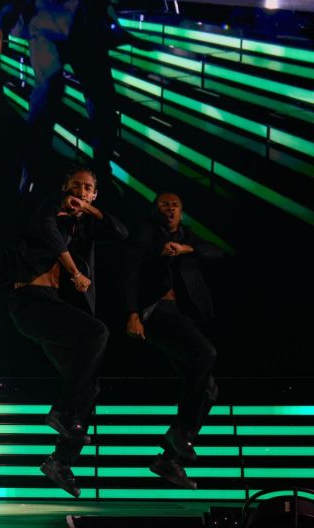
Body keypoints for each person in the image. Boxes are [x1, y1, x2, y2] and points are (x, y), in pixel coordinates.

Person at [7, 166, 127, 497]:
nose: (80, 191)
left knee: (90, 388)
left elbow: (120, 232)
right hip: (30, 304)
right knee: (97, 333)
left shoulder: (81, 223)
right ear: (65, 188)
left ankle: (60, 461)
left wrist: (88, 210)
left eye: (87, 188)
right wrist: (74, 272)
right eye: (75, 186)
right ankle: (62, 412)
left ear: (93, 195)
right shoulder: (48, 207)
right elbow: (49, 233)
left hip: (50, 308)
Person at [0, 0, 133, 192]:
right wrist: (0, 26)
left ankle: (101, 172)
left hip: (87, 32)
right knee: (48, 89)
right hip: (45, 28)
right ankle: (33, 168)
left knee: (102, 100)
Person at [125, 192, 222, 489]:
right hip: (156, 311)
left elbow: (216, 252)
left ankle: (169, 459)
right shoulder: (146, 233)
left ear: (181, 211)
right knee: (206, 353)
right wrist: (132, 313)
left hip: (182, 317)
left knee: (209, 389)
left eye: (175, 204)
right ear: (156, 209)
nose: (170, 208)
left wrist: (184, 248)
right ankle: (180, 433)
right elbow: (131, 272)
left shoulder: (187, 236)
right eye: (164, 204)